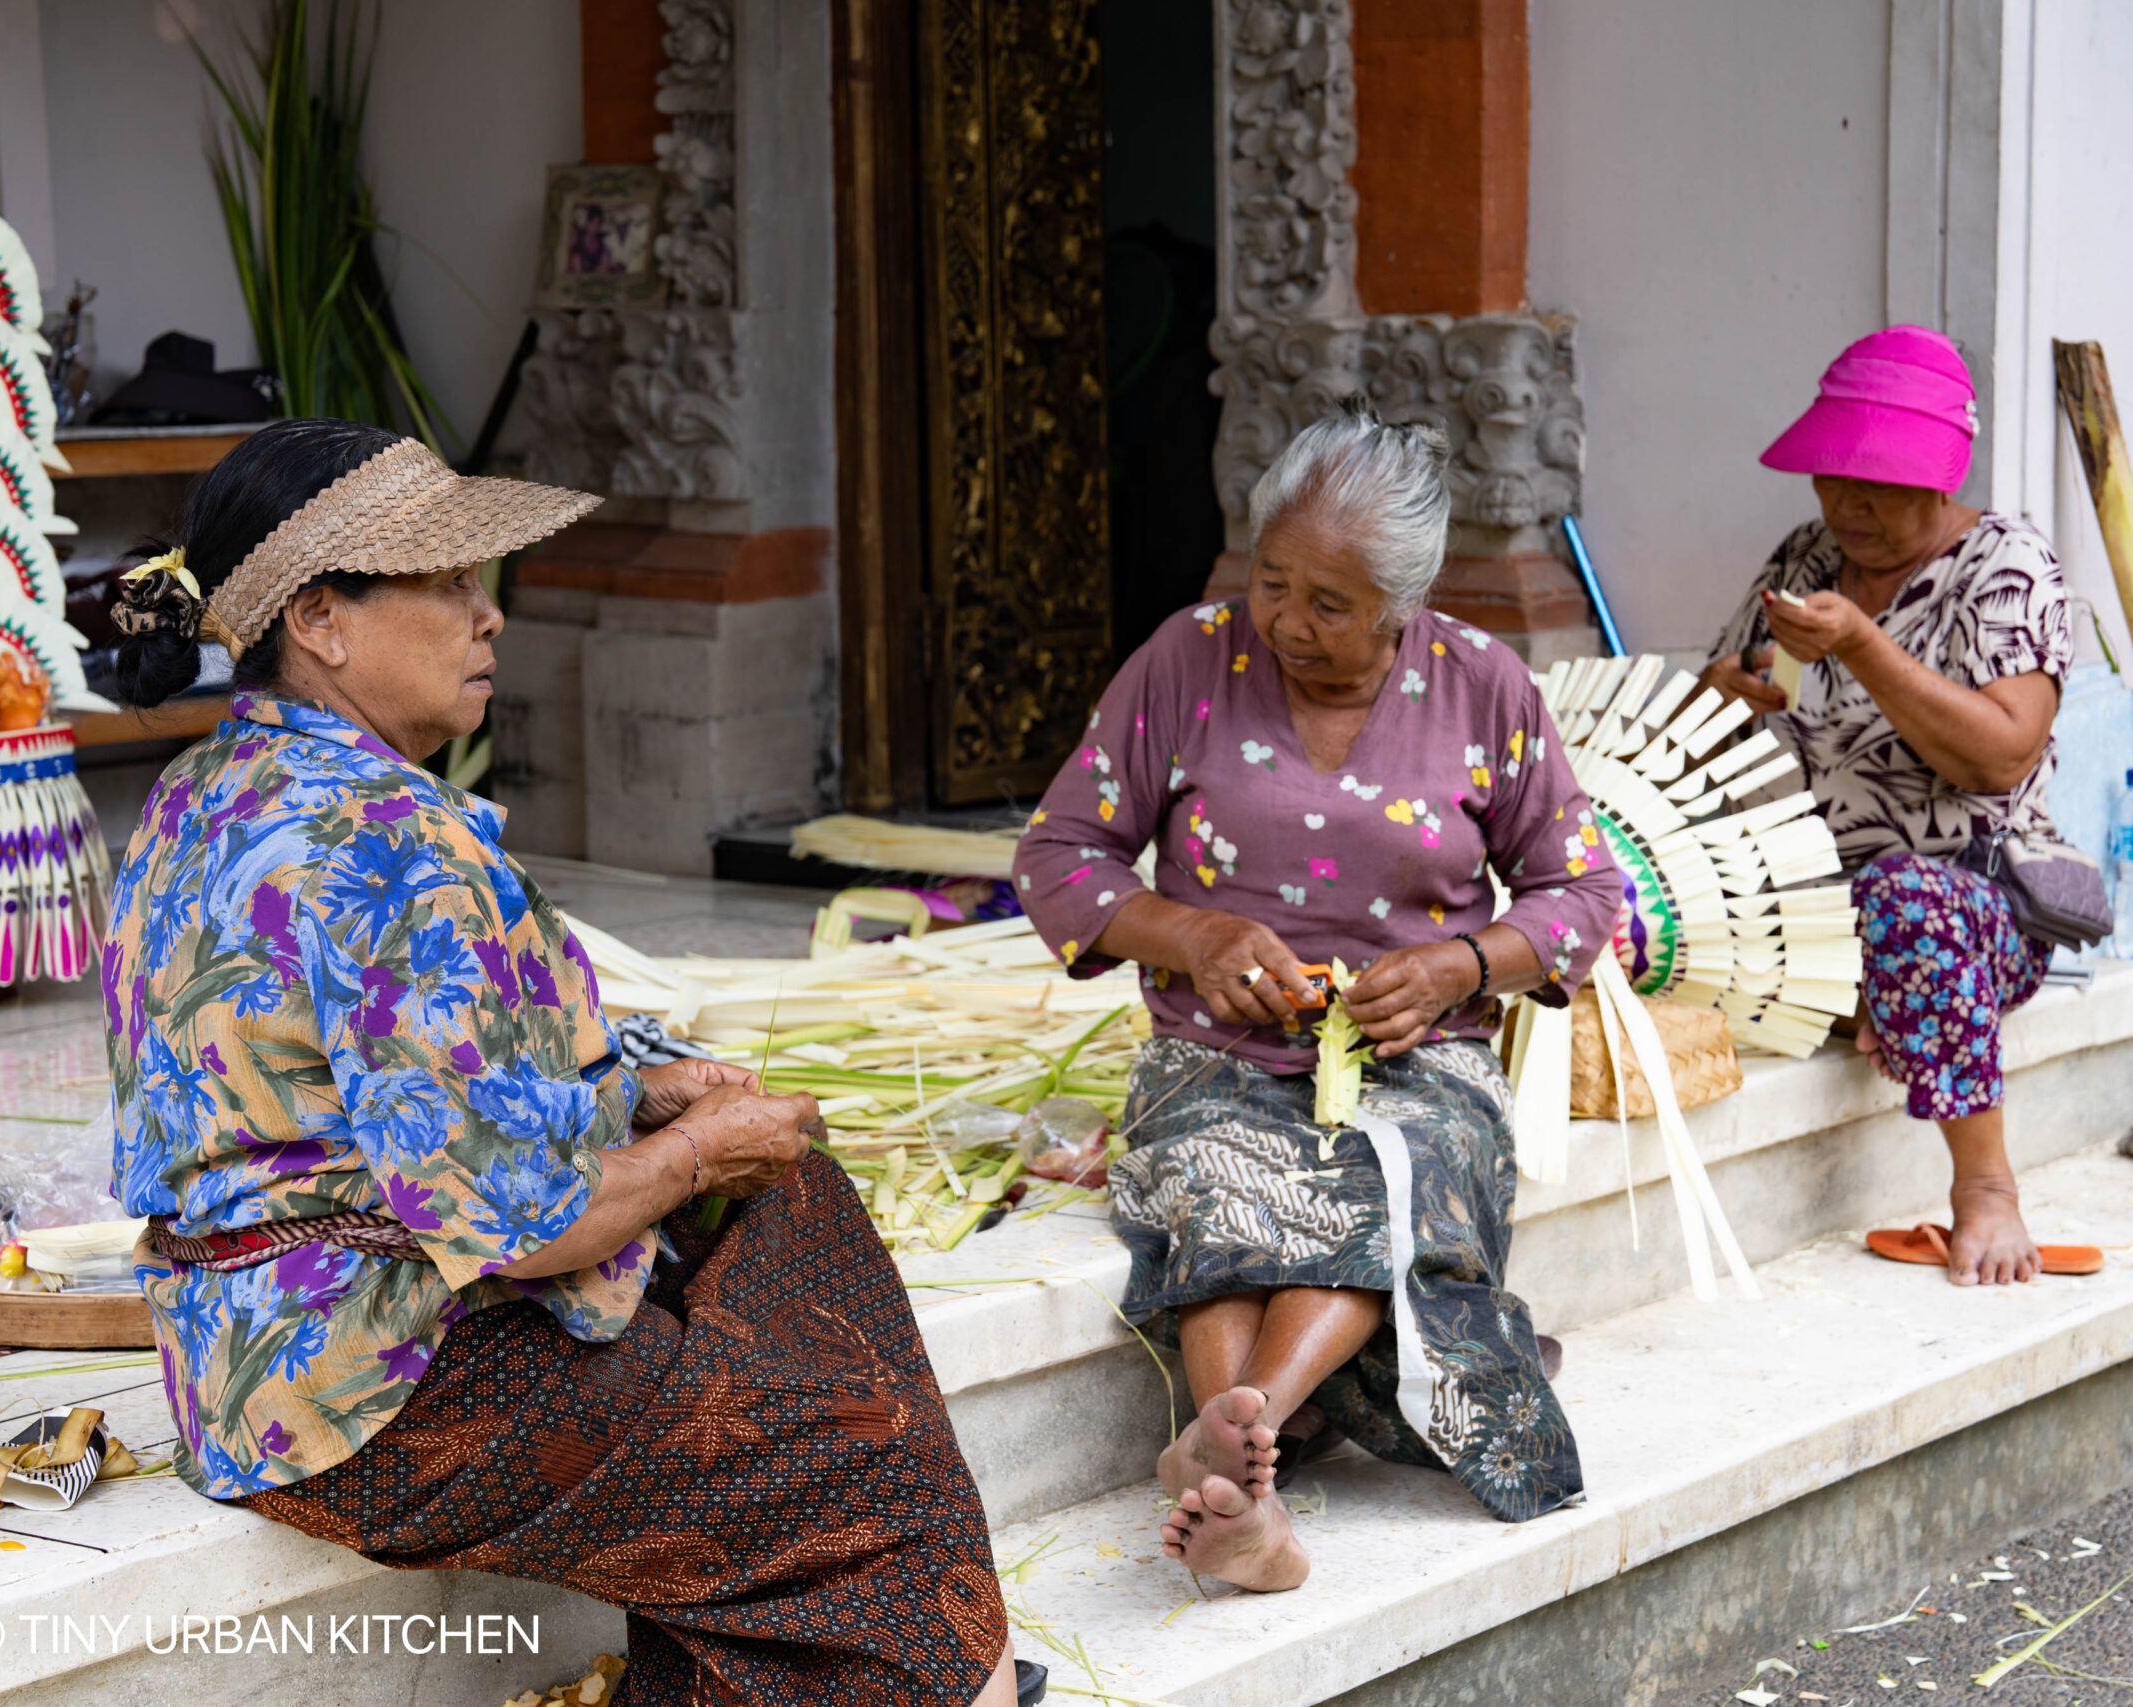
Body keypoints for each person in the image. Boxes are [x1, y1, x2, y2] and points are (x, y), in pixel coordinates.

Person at [104, 420, 1020, 1707]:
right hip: (381, 1401)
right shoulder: (393, 845)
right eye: (450, 586)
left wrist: (638, 1092)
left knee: (787, 1227)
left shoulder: (210, 785)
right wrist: (703, 1144)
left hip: (238, 1369)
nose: (489, 620)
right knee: (860, 1469)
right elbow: (522, 1231)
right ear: (320, 616)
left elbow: (373, 1087)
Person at [1014, 404, 1622, 1592]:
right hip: (1216, 1049)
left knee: (1390, 1180)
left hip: (1421, 1058)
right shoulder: (1185, 659)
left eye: (1328, 603)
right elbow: (1058, 858)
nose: (1285, 621)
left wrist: (1462, 964)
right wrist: (1190, 933)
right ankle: (1249, 1491)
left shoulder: (1482, 687)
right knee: (1218, 1172)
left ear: (1403, 606)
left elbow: (1582, 891)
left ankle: (1229, 1455)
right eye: (1270, 579)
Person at [1703, 325, 2073, 1288]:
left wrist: (1864, 644)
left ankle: (1986, 1188)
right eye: (1832, 478)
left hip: (1968, 895)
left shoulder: (2006, 567)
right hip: (1804, 889)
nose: (1846, 504)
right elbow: (1724, 687)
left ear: (1939, 480)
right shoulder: (1808, 554)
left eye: (1876, 483)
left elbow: (2002, 754)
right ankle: (1863, 983)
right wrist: (1734, 685)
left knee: (1911, 903)